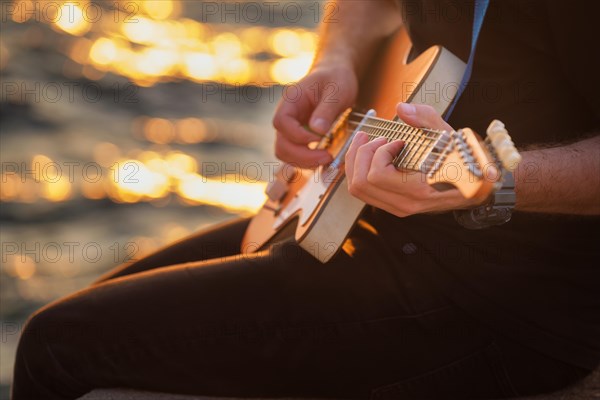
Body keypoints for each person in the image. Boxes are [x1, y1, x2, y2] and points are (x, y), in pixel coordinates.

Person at [12, 0, 600, 399]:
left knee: (56, 349)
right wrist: (335, 62)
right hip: (363, 218)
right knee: (88, 314)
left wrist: (497, 176)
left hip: (502, 306)